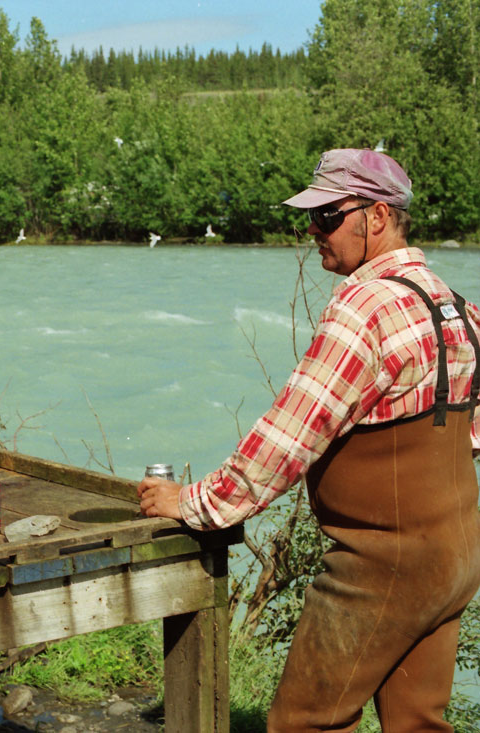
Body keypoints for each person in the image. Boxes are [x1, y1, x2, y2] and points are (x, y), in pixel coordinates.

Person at [138, 149, 480, 731]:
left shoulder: (365, 308)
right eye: (311, 216)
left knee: (304, 722)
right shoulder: (456, 305)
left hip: (381, 564)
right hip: (459, 555)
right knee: (418, 724)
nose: (313, 230)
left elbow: (287, 438)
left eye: (327, 215)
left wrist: (196, 504)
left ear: (377, 216)